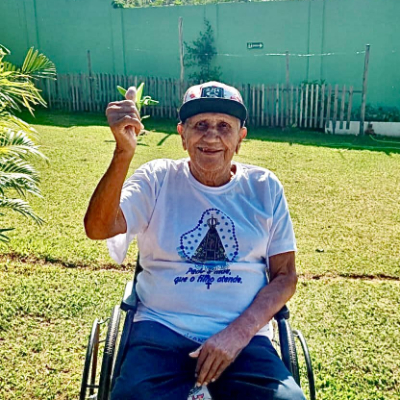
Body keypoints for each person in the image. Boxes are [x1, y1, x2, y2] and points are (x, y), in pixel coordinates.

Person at [84, 81, 306, 400]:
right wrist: (123, 153)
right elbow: (98, 227)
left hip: (245, 341)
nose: (211, 136)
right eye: (200, 125)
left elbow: (285, 276)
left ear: (240, 138)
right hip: (160, 333)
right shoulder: (157, 179)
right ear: (182, 135)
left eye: (224, 126)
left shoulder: (264, 187)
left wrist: (238, 333)